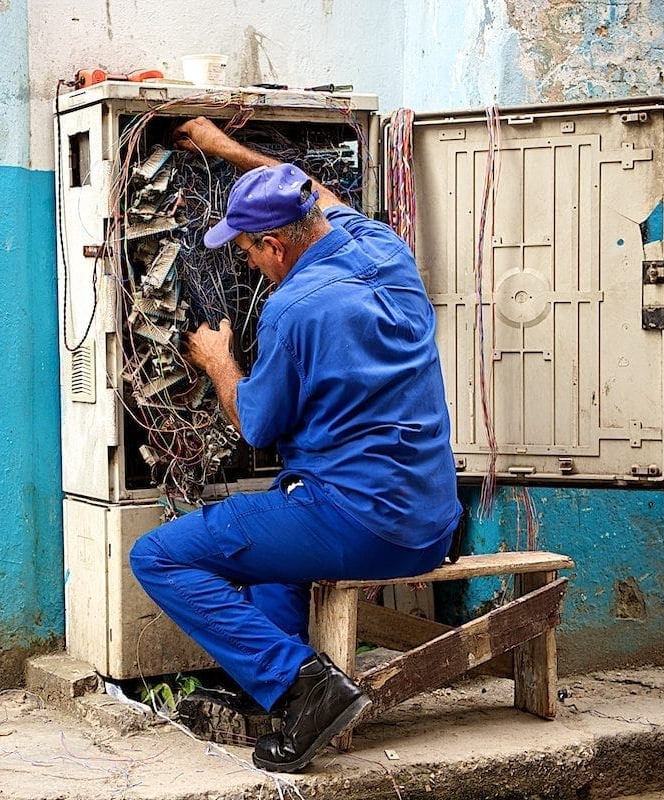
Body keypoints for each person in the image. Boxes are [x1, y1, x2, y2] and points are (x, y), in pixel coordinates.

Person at [128, 117, 461, 773]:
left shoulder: (293, 308)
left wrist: (218, 359)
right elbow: (317, 192)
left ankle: (304, 688)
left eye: (247, 251)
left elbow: (255, 425)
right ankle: (280, 699)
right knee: (273, 543)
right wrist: (226, 151)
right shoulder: (382, 250)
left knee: (159, 557)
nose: (246, 262)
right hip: (430, 518)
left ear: (276, 245)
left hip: (361, 524)